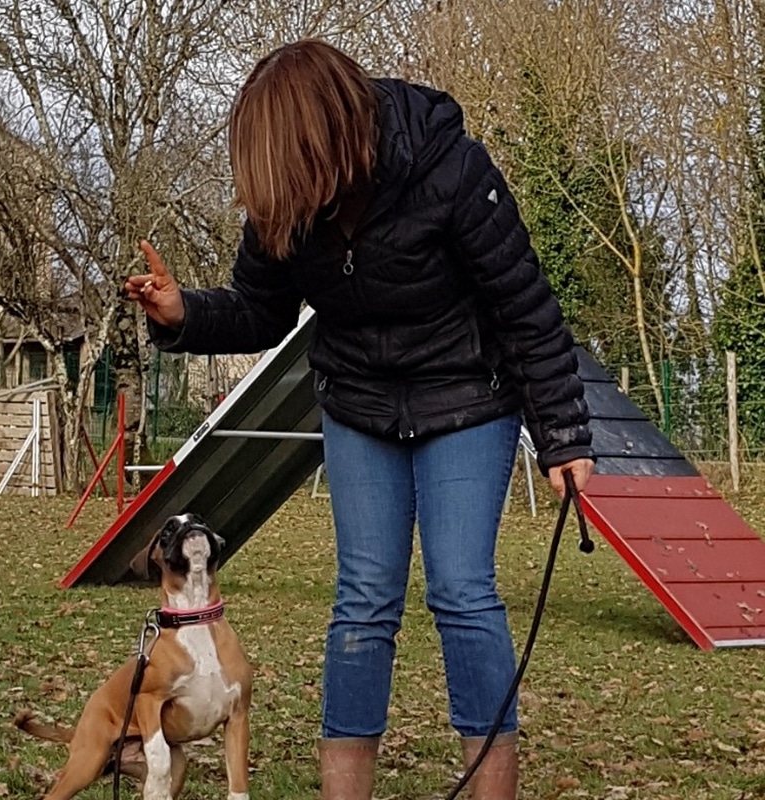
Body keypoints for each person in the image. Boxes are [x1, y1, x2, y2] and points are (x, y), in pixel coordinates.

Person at [125, 39, 594, 800]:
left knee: (463, 590)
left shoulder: (450, 168)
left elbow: (525, 307)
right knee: (364, 600)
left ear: (330, 141)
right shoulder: (289, 201)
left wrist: (565, 435)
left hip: (468, 398)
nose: (281, 195)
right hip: (360, 404)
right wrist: (184, 313)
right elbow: (260, 307)